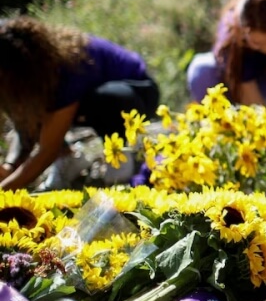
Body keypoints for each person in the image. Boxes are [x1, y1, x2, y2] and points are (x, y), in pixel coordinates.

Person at [0, 16, 160, 190]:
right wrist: (10, 166)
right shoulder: (40, 75)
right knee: (36, 106)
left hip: (139, 94)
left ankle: (119, 159)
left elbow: (47, 151)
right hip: (93, 98)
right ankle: (68, 158)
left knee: (106, 99)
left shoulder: (69, 65)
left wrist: (4, 190)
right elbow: (25, 126)